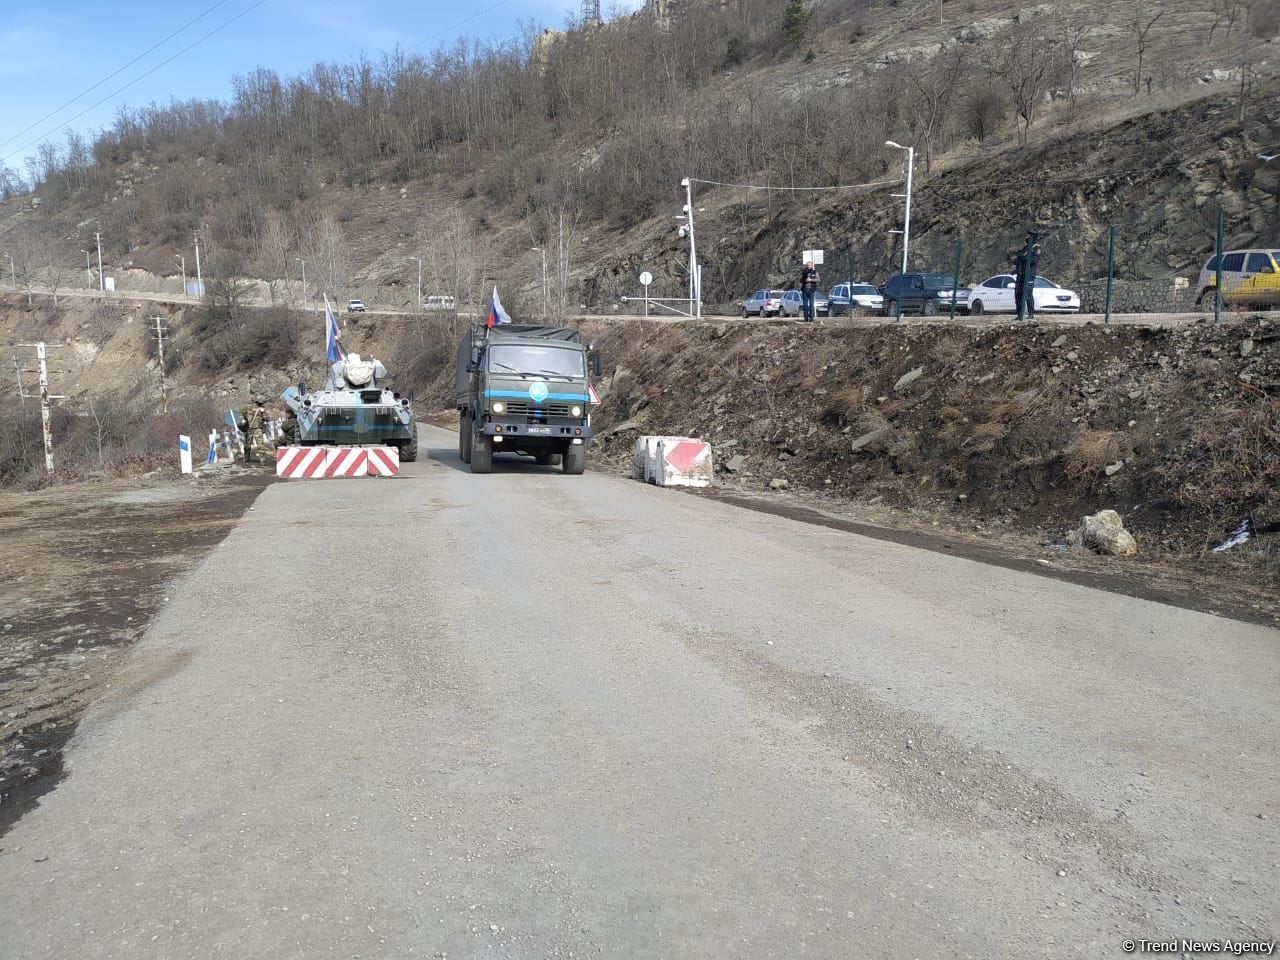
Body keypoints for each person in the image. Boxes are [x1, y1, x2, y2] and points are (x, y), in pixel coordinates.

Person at [237, 395, 268, 464]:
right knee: (259, 445)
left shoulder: (248, 408)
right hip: (254, 429)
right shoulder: (256, 409)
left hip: (253, 429)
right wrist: (263, 413)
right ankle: (263, 461)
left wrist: (263, 412)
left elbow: (242, 416)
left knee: (248, 445)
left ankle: (247, 460)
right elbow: (266, 419)